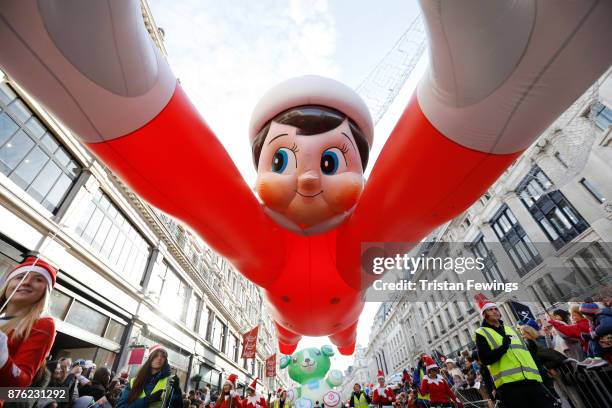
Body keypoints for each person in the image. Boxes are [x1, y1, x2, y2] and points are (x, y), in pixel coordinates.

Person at [473, 294, 553, 408]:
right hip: (510, 386)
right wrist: (503, 348)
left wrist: (544, 377)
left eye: (496, 309)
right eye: (490, 310)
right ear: (484, 315)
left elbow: (528, 354)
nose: (495, 311)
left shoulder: (511, 330)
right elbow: (485, 360)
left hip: (532, 380)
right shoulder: (481, 333)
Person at [0, 257, 57, 387]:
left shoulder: (43, 324)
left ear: (45, 292)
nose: (26, 282)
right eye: (20, 277)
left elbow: (20, 385)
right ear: (8, 284)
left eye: (38, 279)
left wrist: (2, 357)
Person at [117, 344, 182, 408]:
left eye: (163, 356)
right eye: (156, 355)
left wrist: (177, 391)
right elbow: (121, 406)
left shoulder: (170, 382)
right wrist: (147, 400)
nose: (159, 358)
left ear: (165, 361)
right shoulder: (133, 382)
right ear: (150, 358)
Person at [578, 301, 611, 366]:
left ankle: (598, 358)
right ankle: (590, 358)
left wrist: (594, 333)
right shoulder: (594, 319)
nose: (584, 316)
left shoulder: (602, 316)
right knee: (591, 340)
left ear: (589, 314)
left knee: (593, 339)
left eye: (584, 314)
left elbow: (607, 325)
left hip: (609, 338)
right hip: (608, 338)